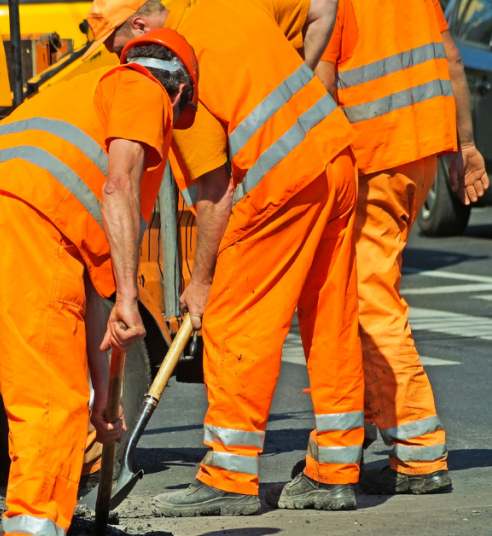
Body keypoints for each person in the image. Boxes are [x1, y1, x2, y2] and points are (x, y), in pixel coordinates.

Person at [89, 0, 365, 513]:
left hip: (282, 179)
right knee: (330, 319)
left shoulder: (173, 68)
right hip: (334, 156)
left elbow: (215, 195)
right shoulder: (222, 7)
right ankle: (336, 471)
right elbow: (320, 8)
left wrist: (200, 281)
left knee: (234, 321)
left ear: (142, 27)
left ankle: (228, 477)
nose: (123, 62)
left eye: (118, 47)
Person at [0, 29, 198, 535]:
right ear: (178, 92)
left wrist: (104, 403)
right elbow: (120, 183)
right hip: (27, 219)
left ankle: (29, 513)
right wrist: (131, 294)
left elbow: (89, 295)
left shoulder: (80, 92)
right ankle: (34, 525)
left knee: (28, 388)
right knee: (51, 400)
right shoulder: (145, 88)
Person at [314, 0, 489, 495]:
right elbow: (451, 62)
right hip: (418, 153)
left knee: (369, 298)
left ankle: (418, 452)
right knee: (357, 294)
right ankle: (364, 429)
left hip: (372, 155)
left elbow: (323, 81)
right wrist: (465, 146)